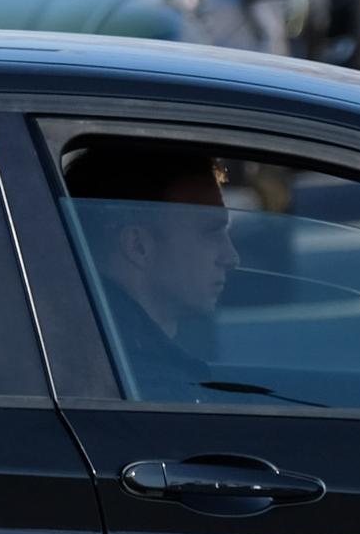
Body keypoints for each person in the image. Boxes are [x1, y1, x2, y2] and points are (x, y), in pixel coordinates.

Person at [61, 138, 235, 397]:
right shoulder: (143, 386)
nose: (231, 257)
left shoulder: (90, 353)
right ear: (138, 245)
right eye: (210, 232)